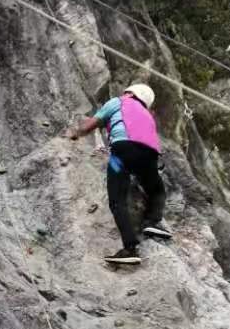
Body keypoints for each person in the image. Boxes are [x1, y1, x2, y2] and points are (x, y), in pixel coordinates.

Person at [66, 82, 171, 266]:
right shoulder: (147, 114)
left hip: (122, 151)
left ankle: (130, 248)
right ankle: (152, 222)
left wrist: (75, 133)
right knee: (156, 189)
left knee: (117, 199)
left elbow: (92, 124)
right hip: (149, 155)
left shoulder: (118, 102)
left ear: (130, 93)